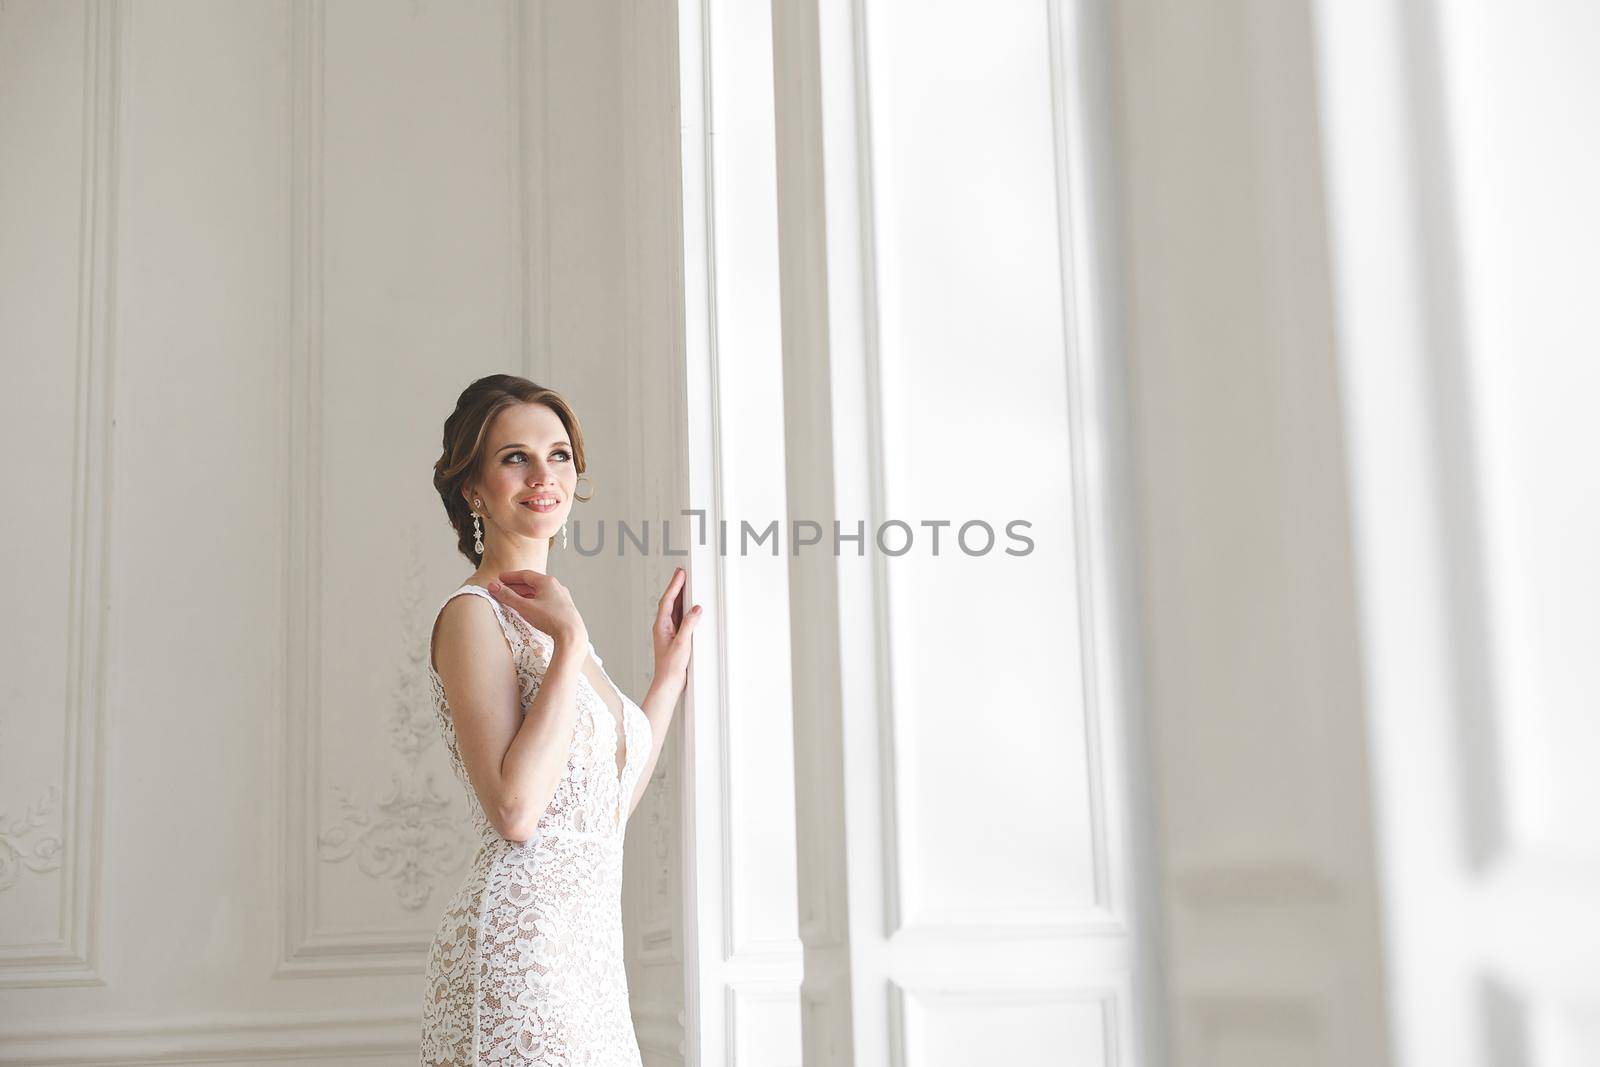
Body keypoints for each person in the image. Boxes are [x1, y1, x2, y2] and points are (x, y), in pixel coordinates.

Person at [419, 374, 700, 1064]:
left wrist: (664, 679)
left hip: (592, 954)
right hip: (524, 948)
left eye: (560, 455)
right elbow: (516, 811)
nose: (544, 473)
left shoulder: (556, 624)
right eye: (515, 456)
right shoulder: (473, 615)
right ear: (473, 488)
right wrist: (570, 644)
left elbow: (598, 810)